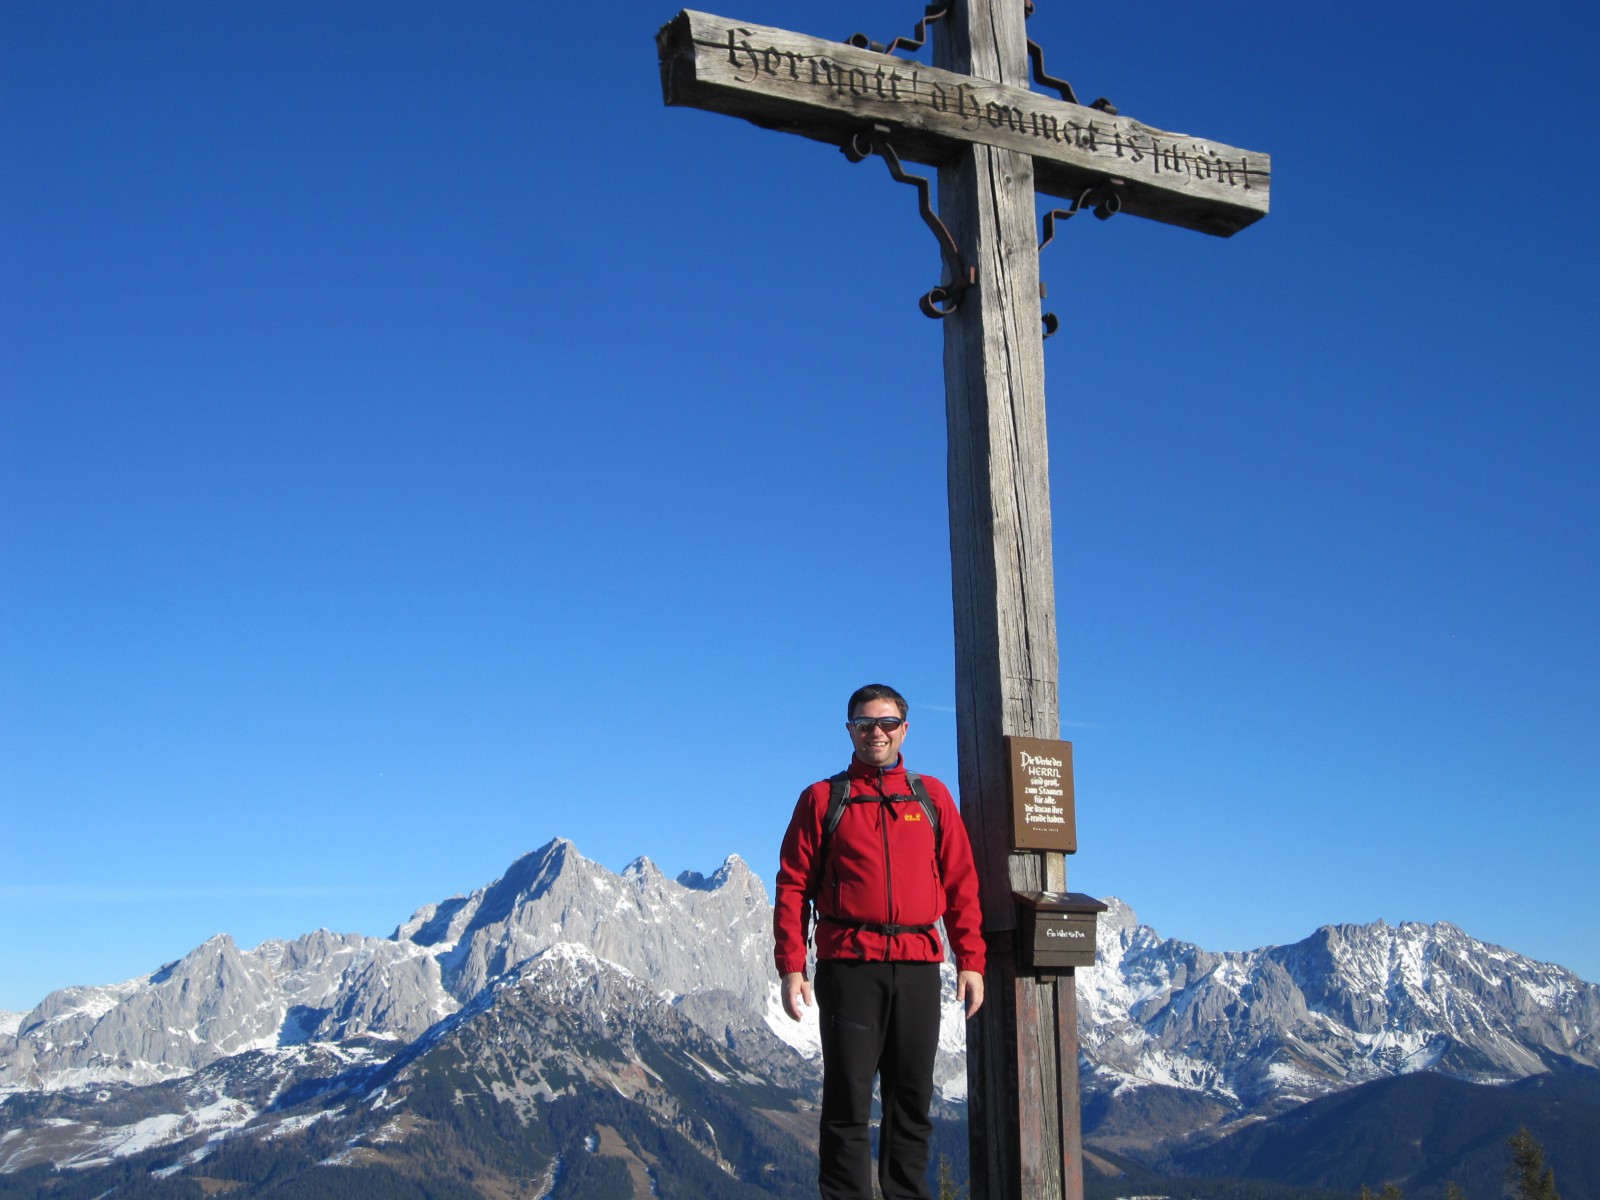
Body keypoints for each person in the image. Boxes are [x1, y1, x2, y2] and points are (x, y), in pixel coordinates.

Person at [775, 683, 986, 1200]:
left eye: (887, 723)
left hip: (917, 966)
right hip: (849, 967)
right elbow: (793, 883)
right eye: (865, 723)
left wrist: (971, 959)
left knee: (911, 1099)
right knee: (847, 1101)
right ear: (850, 731)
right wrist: (791, 965)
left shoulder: (930, 796)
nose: (877, 732)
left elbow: (961, 881)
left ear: (904, 730)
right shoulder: (824, 798)